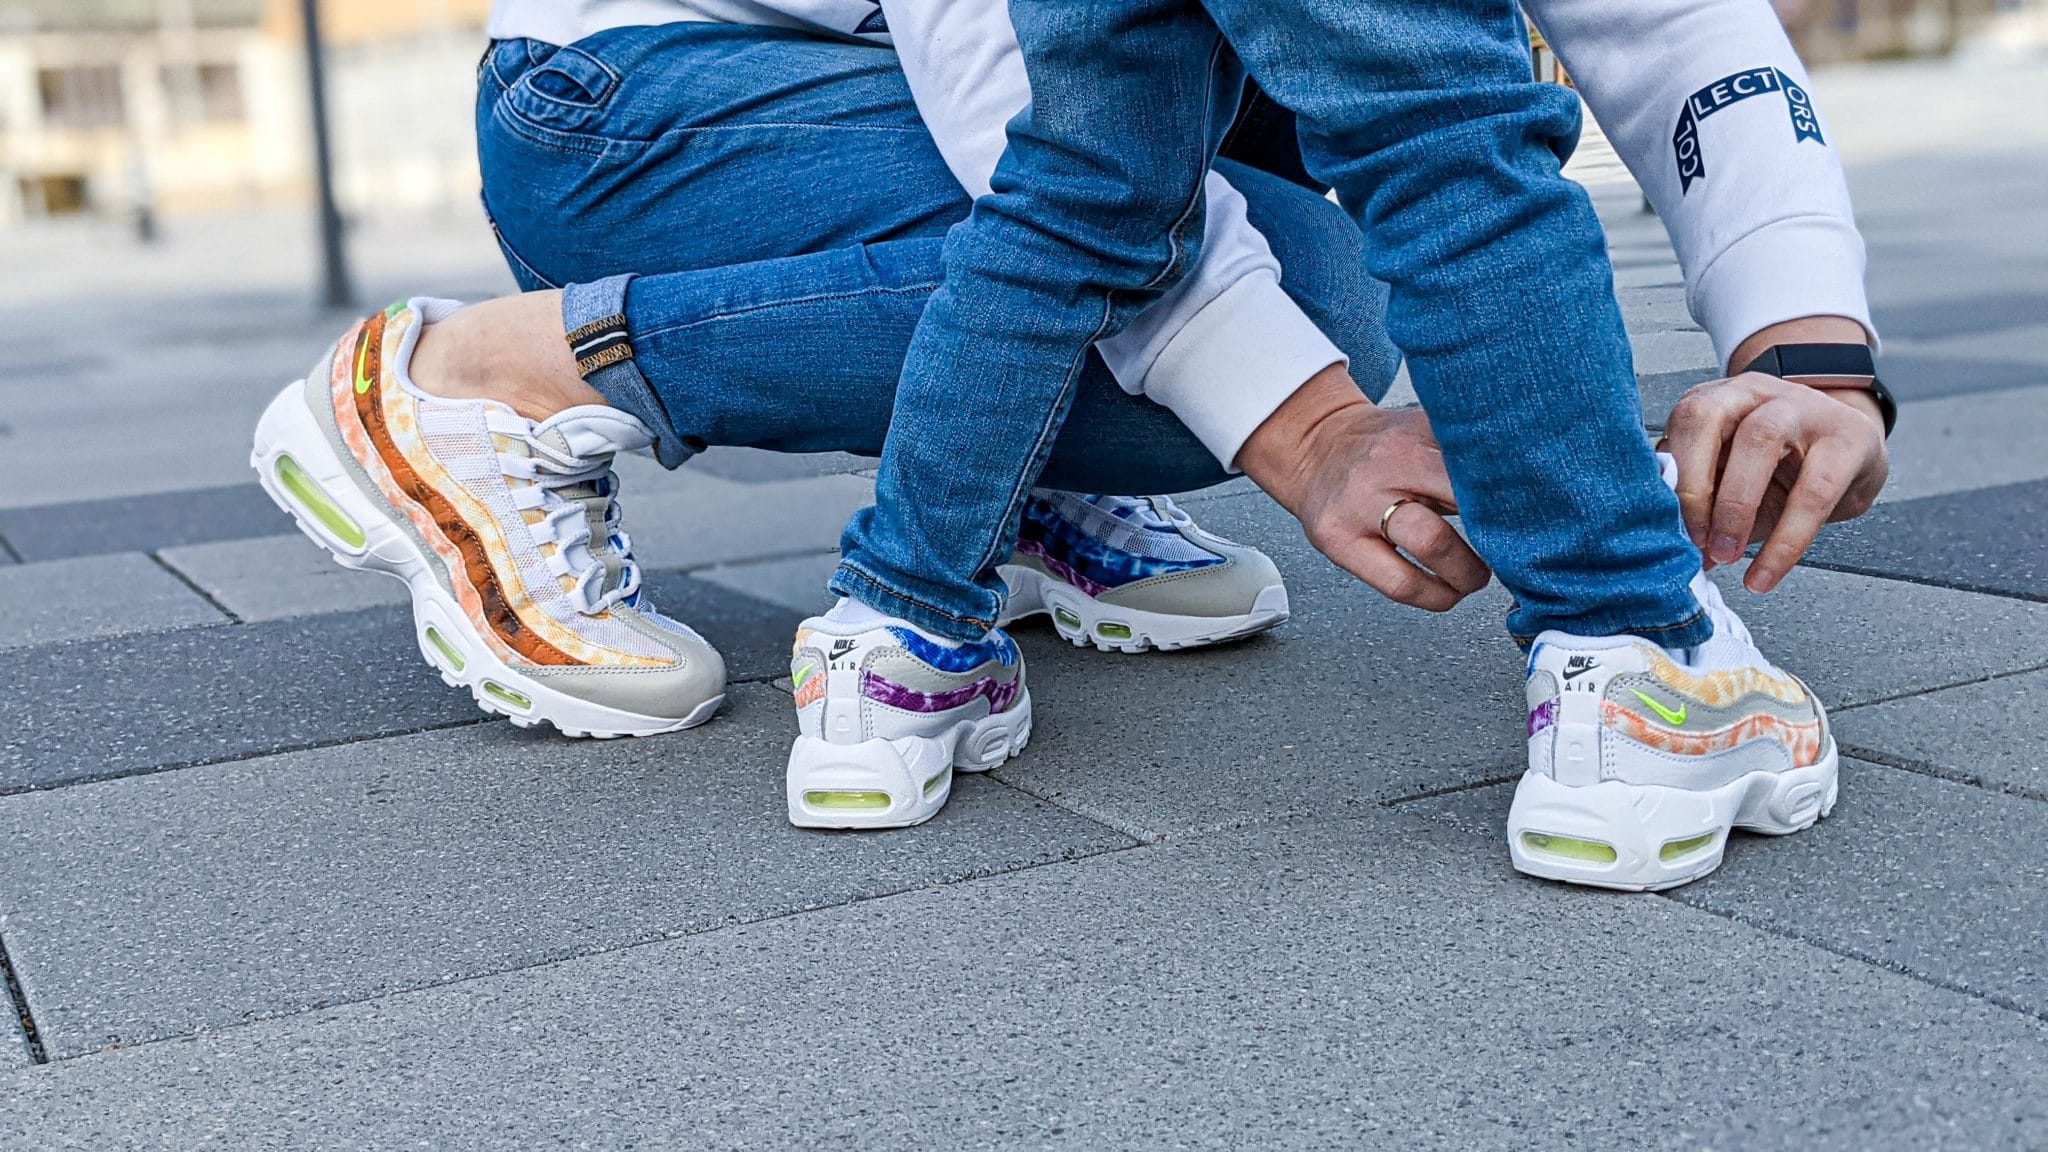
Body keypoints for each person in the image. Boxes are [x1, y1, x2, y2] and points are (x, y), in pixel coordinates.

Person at [250, 0, 1889, 886]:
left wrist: (1806, 341)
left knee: (1097, 193)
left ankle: (903, 643)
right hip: (642, 94)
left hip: (902, 84)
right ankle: (488, 376)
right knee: (1386, 189)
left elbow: (1670, 27)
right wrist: (1315, 436)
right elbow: (1002, 124)